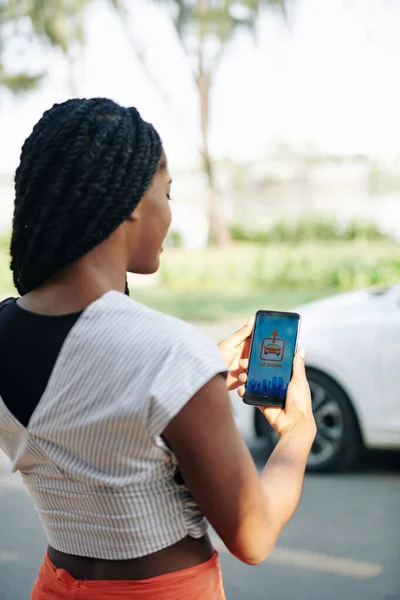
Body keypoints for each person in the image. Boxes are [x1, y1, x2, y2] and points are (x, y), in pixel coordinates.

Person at [0, 98, 316, 600]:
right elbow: (252, 536)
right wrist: (298, 433)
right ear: (129, 199)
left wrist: (183, 389)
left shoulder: (6, 324)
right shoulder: (170, 355)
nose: (170, 214)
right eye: (166, 193)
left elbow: (77, 418)